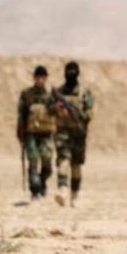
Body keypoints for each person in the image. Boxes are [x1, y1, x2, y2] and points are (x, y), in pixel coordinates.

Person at [52, 61, 94, 207]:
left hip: (79, 134)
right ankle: (62, 189)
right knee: (63, 160)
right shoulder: (59, 92)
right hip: (63, 132)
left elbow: (90, 113)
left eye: (73, 71)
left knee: (76, 165)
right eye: (68, 71)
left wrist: (78, 115)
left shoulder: (84, 92)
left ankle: (75, 195)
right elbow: (50, 111)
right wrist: (58, 109)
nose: (71, 74)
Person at [17, 65, 57, 200]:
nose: (40, 80)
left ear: (46, 78)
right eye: (38, 77)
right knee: (33, 161)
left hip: (46, 134)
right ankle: (34, 190)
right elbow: (21, 115)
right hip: (31, 134)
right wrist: (20, 133)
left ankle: (42, 181)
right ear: (34, 77)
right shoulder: (26, 94)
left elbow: (54, 113)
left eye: (43, 77)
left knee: (47, 163)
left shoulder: (50, 95)